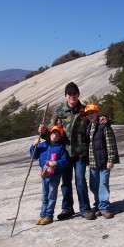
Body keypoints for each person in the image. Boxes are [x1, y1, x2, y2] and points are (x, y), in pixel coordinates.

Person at [38, 82, 100, 220]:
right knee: (66, 181)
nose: (72, 95)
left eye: (74, 93)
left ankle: (85, 208)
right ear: (66, 96)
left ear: (78, 94)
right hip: (64, 153)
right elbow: (52, 133)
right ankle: (67, 208)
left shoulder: (85, 110)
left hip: (80, 152)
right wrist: (43, 133)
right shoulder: (59, 112)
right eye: (69, 93)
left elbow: (96, 119)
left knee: (80, 180)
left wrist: (105, 119)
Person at [85, 104, 120, 219]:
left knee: (103, 184)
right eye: (88, 113)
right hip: (92, 163)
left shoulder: (104, 126)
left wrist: (111, 159)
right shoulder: (88, 127)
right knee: (94, 185)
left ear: (97, 113)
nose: (91, 115)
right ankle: (98, 204)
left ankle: (104, 207)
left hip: (103, 162)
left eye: (92, 113)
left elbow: (110, 144)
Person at [30, 125, 69, 225]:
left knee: (51, 195)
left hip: (54, 175)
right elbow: (34, 156)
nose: (54, 135)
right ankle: (42, 215)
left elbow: (65, 161)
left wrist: (56, 163)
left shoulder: (60, 148)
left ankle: (49, 215)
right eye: (53, 133)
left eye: (57, 134)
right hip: (45, 174)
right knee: (44, 196)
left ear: (60, 137)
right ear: (49, 134)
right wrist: (34, 146)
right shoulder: (43, 145)